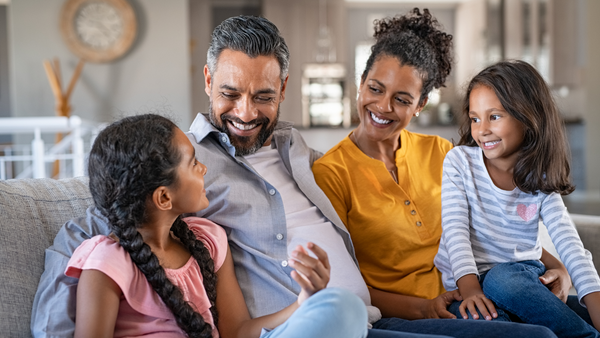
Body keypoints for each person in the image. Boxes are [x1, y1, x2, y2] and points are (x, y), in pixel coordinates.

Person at [32, 15, 557, 338]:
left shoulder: (296, 149)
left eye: (263, 96)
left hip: (364, 317)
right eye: (230, 93)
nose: (245, 111)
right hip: (307, 324)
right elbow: (102, 222)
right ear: (209, 79)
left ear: (283, 90)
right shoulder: (178, 162)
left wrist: (539, 258)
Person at [312, 7, 572, 329]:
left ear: (420, 105)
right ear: (361, 82)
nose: (383, 107)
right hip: (408, 317)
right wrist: (426, 308)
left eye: (403, 99)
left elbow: (497, 223)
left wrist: (555, 265)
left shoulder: (443, 153)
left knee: (575, 314)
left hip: (480, 295)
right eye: (375, 89)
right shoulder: (330, 173)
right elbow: (343, 284)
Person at [66, 113, 368, 338]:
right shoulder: (107, 262)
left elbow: (238, 332)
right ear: (163, 197)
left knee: (342, 306)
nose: (204, 169)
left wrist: (304, 301)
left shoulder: (207, 240)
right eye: (193, 163)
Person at [432, 60, 600, 338]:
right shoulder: (459, 162)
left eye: (494, 116)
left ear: (528, 117)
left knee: (502, 279)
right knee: (488, 320)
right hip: (469, 287)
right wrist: (470, 289)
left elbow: (569, 243)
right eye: (475, 118)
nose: (482, 129)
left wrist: (594, 299)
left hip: (519, 279)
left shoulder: (540, 177)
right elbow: (455, 232)